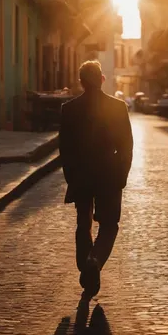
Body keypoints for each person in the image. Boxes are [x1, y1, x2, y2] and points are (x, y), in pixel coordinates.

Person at [59, 60, 134, 298]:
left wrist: (71, 176)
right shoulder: (118, 107)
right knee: (109, 225)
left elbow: (65, 148)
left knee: (84, 221)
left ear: (81, 82)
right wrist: (122, 174)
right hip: (110, 173)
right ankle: (94, 260)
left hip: (81, 173)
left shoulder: (69, 109)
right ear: (102, 79)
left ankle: (86, 266)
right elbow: (126, 146)